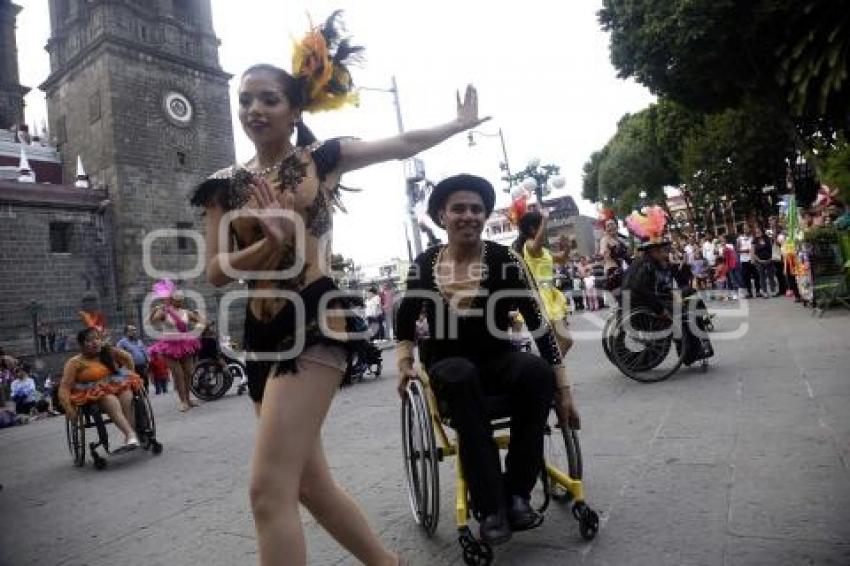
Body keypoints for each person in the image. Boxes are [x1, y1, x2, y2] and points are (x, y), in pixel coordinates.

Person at [189, 12, 488, 565]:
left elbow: (401, 143)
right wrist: (267, 243)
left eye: (269, 99)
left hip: (316, 317)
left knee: (266, 491)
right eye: (245, 99)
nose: (254, 109)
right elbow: (215, 273)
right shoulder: (222, 185)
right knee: (307, 485)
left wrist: (456, 125)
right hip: (259, 332)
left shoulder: (319, 159)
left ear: (294, 109)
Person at [395, 174, 580, 546]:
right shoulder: (424, 263)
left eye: (476, 209)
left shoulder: (505, 260)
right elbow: (403, 324)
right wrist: (404, 364)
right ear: (441, 216)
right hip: (448, 363)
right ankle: (490, 507)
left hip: (497, 357)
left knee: (535, 371)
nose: (469, 216)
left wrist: (564, 391)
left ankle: (516, 495)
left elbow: (539, 326)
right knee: (462, 375)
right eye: (458, 209)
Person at [58, 327, 143, 452]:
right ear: (81, 345)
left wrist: (119, 356)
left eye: (97, 339)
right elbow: (64, 387)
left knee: (127, 394)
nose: (95, 342)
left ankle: (130, 435)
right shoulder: (74, 363)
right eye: (89, 340)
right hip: (94, 395)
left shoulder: (107, 352)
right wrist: (69, 409)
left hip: (114, 385)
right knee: (110, 399)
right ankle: (130, 434)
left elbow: (128, 359)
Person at [513, 209, 572, 354]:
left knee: (563, 342)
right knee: (561, 342)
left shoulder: (544, 250)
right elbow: (536, 245)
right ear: (533, 228)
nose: (544, 229)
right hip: (540, 297)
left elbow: (562, 259)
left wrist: (567, 247)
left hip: (550, 295)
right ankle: (551, 371)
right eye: (541, 225)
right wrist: (545, 220)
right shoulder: (529, 245)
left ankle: (551, 371)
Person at [148, 281, 202, 412]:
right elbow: (152, 321)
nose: (181, 301)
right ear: (172, 299)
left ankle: (189, 399)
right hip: (169, 346)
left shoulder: (186, 312)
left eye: (182, 299)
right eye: (178, 299)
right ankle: (182, 401)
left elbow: (199, 320)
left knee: (188, 373)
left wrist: (198, 323)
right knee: (178, 374)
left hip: (184, 344)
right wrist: (154, 311)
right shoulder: (164, 312)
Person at [599, 218, 629, 293]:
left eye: (612, 224)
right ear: (606, 229)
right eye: (608, 226)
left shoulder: (621, 240)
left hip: (623, 270)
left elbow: (627, 255)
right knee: (620, 295)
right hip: (612, 270)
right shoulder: (605, 239)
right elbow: (602, 251)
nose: (610, 227)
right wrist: (604, 253)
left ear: (617, 226)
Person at [117, 325, 150, 391]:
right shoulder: (122, 342)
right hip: (131, 367)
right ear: (126, 332)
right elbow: (118, 355)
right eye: (132, 330)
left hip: (143, 367)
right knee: (135, 386)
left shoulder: (139, 341)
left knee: (145, 383)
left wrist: (147, 360)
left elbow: (145, 352)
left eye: (135, 330)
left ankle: (144, 398)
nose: (134, 331)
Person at [752, 226, 776, 298]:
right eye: (756, 232)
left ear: (762, 232)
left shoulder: (767, 238)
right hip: (759, 261)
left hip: (769, 260)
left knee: (771, 276)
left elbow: (772, 248)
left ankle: (773, 290)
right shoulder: (754, 241)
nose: (757, 233)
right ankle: (764, 292)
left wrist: (771, 258)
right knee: (762, 277)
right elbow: (753, 252)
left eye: (759, 231)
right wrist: (759, 260)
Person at [737, 227, 759, 298]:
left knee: (756, 276)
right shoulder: (739, 239)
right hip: (744, 260)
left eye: (748, 228)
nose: (747, 230)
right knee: (746, 277)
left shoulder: (753, 238)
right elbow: (737, 250)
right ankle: (749, 292)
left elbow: (756, 248)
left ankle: (758, 291)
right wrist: (745, 251)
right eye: (745, 229)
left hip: (752, 259)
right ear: (743, 230)